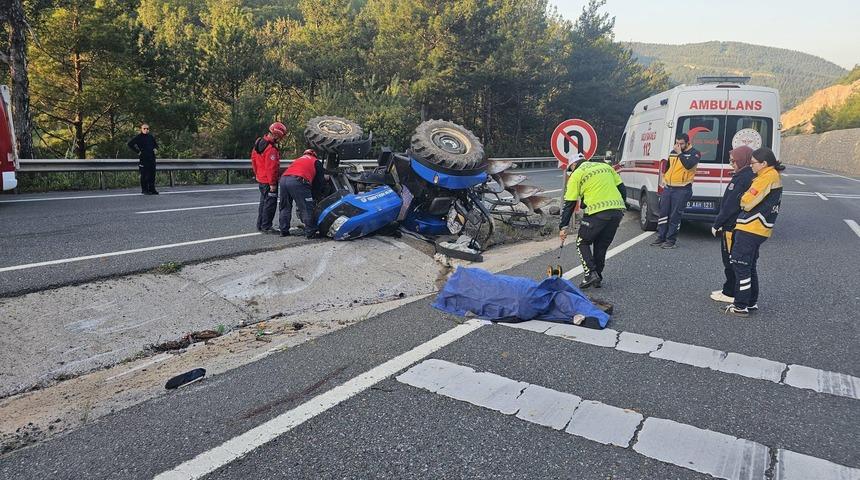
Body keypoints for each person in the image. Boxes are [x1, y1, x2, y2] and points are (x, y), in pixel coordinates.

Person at [723, 147, 784, 317]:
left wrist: (743, 198)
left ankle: (740, 305)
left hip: (750, 227)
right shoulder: (772, 176)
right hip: (759, 228)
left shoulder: (766, 177)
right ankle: (751, 302)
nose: (751, 167)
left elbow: (747, 202)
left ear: (764, 163)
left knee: (740, 265)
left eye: (753, 163)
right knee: (749, 266)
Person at [559, 156, 627, 289]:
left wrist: (563, 226)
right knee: (601, 245)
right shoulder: (606, 167)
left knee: (582, 242)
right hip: (616, 212)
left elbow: (570, 203)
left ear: (573, 165)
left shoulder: (577, 174)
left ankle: (590, 273)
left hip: (597, 212)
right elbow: (622, 189)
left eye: (569, 169)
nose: (570, 172)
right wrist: (622, 208)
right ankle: (597, 277)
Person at [709, 146, 755, 305]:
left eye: (733, 161)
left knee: (730, 260)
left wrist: (717, 223)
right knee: (733, 261)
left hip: (732, 226)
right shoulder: (745, 175)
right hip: (737, 225)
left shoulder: (743, 178)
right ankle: (730, 289)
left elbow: (730, 205)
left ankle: (730, 292)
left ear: (742, 160)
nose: (731, 164)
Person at [650, 133, 701, 248]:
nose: (678, 145)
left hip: (682, 189)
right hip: (669, 187)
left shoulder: (695, 153)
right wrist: (664, 178)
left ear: (687, 143)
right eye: (677, 143)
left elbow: (688, 165)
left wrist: (680, 153)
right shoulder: (673, 152)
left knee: (674, 216)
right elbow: (668, 166)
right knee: (663, 213)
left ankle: (671, 240)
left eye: (681, 144)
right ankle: (661, 237)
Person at [279, 148, 325, 238]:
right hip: (298, 181)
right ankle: (310, 232)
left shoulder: (298, 160)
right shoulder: (315, 161)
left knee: (285, 207)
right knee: (307, 207)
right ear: (314, 155)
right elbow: (319, 182)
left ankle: (283, 230)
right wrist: (316, 195)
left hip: (284, 179)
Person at [251, 122, 287, 234]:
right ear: (276, 135)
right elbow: (271, 167)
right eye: (280, 137)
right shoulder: (271, 149)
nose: (279, 139)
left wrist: (258, 174)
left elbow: (253, 161)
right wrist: (272, 183)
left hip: (261, 179)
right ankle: (266, 226)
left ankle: (260, 225)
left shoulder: (259, 144)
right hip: (268, 181)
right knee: (270, 204)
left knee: (263, 203)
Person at [128, 123, 159, 195]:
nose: (146, 130)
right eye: (144, 128)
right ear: (141, 129)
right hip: (143, 159)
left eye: (147, 128)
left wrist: (155, 149)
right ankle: (144, 190)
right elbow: (130, 144)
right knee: (144, 175)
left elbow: (156, 145)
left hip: (152, 158)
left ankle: (152, 189)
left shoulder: (150, 137)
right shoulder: (139, 137)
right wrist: (137, 151)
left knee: (152, 175)